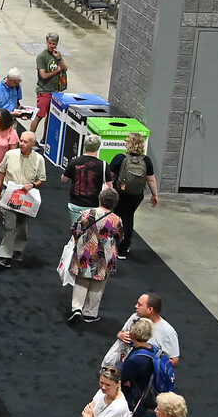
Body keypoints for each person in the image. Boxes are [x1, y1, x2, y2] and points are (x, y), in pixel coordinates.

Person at [64, 190, 125, 323]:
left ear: (100, 199)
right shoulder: (116, 220)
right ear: (115, 203)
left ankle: (77, 308)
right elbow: (120, 238)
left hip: (85, 253)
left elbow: (75, 229)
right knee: (98, 284)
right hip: (104, 258)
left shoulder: (88, 214)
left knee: (81, 281)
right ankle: (90, 313)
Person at [104, 132, 158, 260]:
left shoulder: (120, 158)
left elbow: (110, 176)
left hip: (121, 194)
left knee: (119, 218)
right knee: (129, 217)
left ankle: (117, 246)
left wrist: (107, 190)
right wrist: (155, 195)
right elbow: (151, 179)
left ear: (129, 144)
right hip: (136, 195)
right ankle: (125, 247)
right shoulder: (146, 160)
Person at [0, 134, 45, 268]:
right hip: (10, 194)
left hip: (27, 198)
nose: (22, 143)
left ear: (32, 144)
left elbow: (42, 179)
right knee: (9, 227)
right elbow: (1, 172)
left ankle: (18, 249)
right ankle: (5, 257)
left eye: (26, 142)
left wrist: (33, 185)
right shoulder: (10, 155)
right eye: (21, 141)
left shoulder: (39, 159)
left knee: (22, 226)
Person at [33, 37, 67, 126]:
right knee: (39, 116)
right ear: (46, 42)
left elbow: (65, 68)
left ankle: (45, 138)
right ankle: (30, 136)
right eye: (49, 43)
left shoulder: (57, 55)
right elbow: (43, 76)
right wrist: (57, 71)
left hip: (55, 92)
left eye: (53, 44)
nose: (51, 46)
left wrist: (59, 58)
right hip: (44, 91)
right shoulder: (42, 56)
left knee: (50, 118)